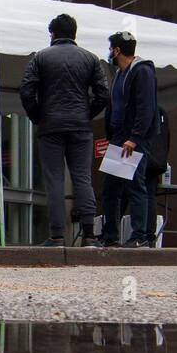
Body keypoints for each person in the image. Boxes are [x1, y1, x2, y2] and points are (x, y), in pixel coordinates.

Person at [19, 13, 111, 247]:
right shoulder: (91, 59)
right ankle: (89, 235)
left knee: (54, 181)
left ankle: (57, 235)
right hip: (80, 126)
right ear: (74, 33)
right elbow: (103, 94)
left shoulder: (40, 58)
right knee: (83, 178)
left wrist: (39, 116)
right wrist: (85, 114)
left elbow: (27, 92)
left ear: (52, 34)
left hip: (50, 127)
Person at [102, 31, 160, 247]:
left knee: (135, 185)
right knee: (110, 189)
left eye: (111, 49)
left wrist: (135, 138)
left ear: (117, 50)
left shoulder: (142, 72)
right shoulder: (120, 74)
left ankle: (140, 236)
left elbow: (146, 108)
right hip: (119, 137)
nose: (110, 53)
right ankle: (110, 235)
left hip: (132, 139)